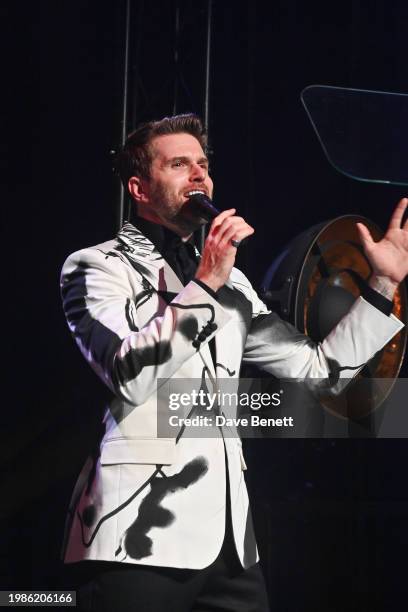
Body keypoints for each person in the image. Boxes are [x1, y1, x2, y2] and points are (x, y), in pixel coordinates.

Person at [60, 114, 407, 611]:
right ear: (138, 188)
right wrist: (205, 285)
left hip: (229, 542)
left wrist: (383, 287)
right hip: (133, 531)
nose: (199, 175)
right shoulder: (97, 265)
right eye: (179, 164)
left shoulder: (234, 284)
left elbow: (320, 374)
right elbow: (131, 376)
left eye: (203, 164)